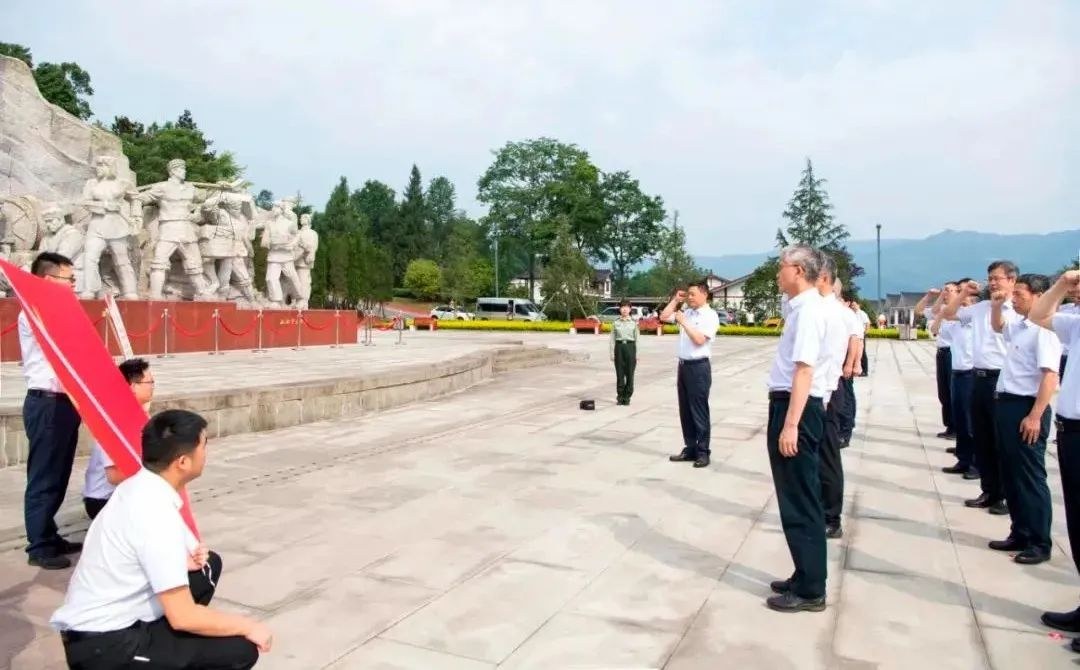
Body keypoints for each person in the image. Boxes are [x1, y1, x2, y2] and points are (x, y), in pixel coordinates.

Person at [51, 409, 272, 669]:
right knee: (240, 649)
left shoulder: (140, 486)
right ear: (183, 462)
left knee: (207, 566)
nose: (206, 453)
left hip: (111, 625)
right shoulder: (155, 513)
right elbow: (183, 616)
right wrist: (249, 626)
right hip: (107, 645)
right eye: (204, 445)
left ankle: (165, 644)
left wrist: (182, 561)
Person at [764, 245, 829, 613]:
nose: (778, 273)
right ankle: (805, 573)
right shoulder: (800, 307)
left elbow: (804, 370)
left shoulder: (808, 312)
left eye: (782, 267)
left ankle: (810, 589)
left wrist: (791, 425)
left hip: (796, 409)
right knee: (796, 494)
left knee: (800, 498)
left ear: (799, 271)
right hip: (792, 405)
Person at [985, 274, 1058, 565]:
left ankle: (1039, 541)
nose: (1013, 299)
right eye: (1013, 294)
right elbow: (998, 326)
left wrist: (1035, 415)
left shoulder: (1044, 330)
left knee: (1029, 476)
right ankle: (1020, 531)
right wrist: (996, 306)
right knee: (1011, 474)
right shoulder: (1021, 326)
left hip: (1027, 407)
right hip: (1007, 404)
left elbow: (1050, 376)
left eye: (1020, 295)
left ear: (1039, 296)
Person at [20, 251, 83, 570]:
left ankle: (49, 533)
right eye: (68, 279)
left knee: (59, 473)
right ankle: (39, 546)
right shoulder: (34, 311)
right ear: (48, 279)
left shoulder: (55, 309)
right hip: (46, 402)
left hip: (65, 403)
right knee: (44, 476)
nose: (73, 285)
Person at [1028, 271, 1080, 648]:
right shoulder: (1075, 323)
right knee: (1077, 523)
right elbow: (1039, 315)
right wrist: (1062, 284)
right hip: (1071, 431)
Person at [943, 261, 1020, 515]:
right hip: (978, 377)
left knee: (1000, 441)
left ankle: (1005, 496)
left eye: (998, 278)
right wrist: (964, 293)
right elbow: (949, 313)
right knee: (983, 437)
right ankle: (989, 490)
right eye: (990, 278)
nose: (993, 283)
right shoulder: (980, 308)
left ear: (1012, 280)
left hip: (1001, 379)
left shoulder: (1017, 309)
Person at [815, 256, 863, 540]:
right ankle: (818, 509)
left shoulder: (841, 313)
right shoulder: (815, 309)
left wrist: (851, 365)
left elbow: (856, 339)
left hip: (829, 389)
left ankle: (831, 517)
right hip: (817, 389)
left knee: (827, 454)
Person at [83, 358, 156, 520]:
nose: (152, 386)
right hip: (103, 501)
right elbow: (115, 476)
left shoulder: (137, 416)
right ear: (132, 387)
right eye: (149, 382)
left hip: (125, 493)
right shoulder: (114, 422)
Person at [663, 280, 720, 468]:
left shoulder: (710, 316)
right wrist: (675, 300)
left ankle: (703, 451)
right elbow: (664, 316)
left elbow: (699, 340)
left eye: (693, 294)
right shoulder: (687, 312)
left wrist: (684, 323)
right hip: (683, 366)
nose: (690, 298)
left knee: (699, 410)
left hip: (699, 367)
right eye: (688, 294)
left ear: (705, 294)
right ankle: (690, 447)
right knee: (685, 410)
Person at [940, 279, 979, 478]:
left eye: (965, 292)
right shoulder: (958, 317)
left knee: (971, 422)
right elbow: (940, 321)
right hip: (957, 372)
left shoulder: (978, 315)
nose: (961, 296)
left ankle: (976, 463)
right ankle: (963, 459)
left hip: (971, 373)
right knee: (961, 420)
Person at [916, 285, 957, 439]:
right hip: (942, 353)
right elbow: (919, 311)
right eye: (944, 290)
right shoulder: (941, 309)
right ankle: (950, 425)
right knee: (943, 392)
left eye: (950, 291)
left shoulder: (962, 312)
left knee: (954, 392)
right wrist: (931, 296)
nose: (946, 293)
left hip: (954, 354)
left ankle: (957, 427)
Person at [610, 299, 639, 406]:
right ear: (620, 309)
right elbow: (612, 339)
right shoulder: (616, 323)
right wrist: (612, 353)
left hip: (630, 347)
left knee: (630, 374)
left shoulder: (634, 323)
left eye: (627, 307)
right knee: (620, 374)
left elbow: (637, 339)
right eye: (622, 307)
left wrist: (637, 354)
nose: (624, 309)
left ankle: (627, 397)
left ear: (630, 309)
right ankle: (620, 396)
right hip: (619, 348)